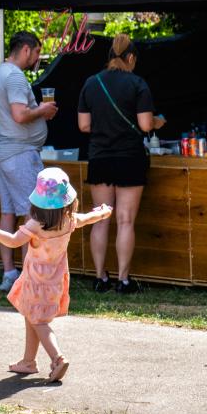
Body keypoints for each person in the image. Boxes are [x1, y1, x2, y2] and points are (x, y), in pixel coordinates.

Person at [0, 167, 113, 382]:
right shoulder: (69, 220)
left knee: (38, 321)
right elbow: (90, 217)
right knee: (31, 316)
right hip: (55, 280)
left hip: (35, 280)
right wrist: (103, 211)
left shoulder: (35, 225)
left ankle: (57, 358)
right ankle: (28, 362)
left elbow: (14, 241)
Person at [77, 33, 164, 294]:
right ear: (131, 58)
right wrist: (159, 122)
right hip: (129, 158)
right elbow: (146, 125)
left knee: (101, 220)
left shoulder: (91, 84)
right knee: (125, 221)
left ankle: (100, 277)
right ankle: (123, 280)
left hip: (100, 158)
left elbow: (84, 125)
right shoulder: (138, 84)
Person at [0, 32, 57, 292]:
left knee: (7, 213)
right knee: (33, 213)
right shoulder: (15, 76)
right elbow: (19, 114)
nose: (38, 58)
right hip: (19, 154)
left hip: (4, 152)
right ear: (26, 50)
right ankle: (33, 276)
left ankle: (9, 273)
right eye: (37, 52)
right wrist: (43, 110)